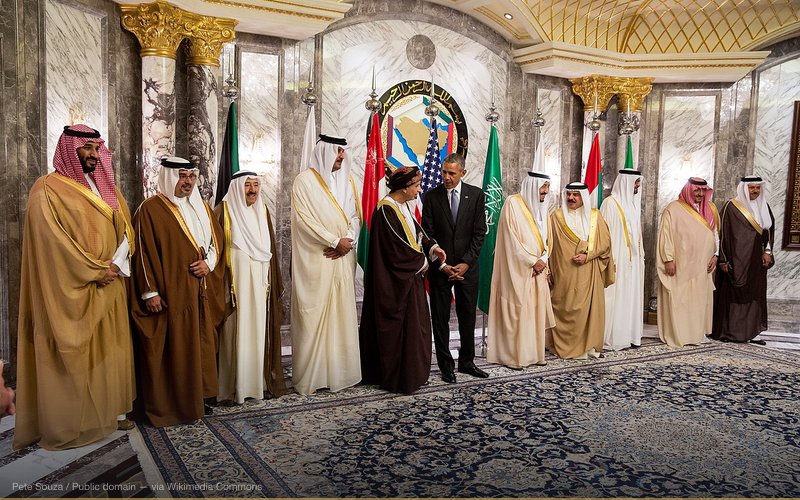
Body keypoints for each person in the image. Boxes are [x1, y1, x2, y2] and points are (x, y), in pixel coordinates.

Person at [14, 124, 135, 450]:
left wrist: (116, 264)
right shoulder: (47, 189)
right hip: (72, 291)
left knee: (109, 354)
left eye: (97, 149)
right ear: (70, 149)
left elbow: (125, 228)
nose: (95, 155)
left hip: (110, 285)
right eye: (88, 148)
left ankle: (108, 414)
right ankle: (73, 424)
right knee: (76, 357)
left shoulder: (106, 186)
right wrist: (96, 269)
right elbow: (52, 243)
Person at [130, 157, 226, 426]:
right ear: (169, 177)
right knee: (176, 349)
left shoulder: (202, 207)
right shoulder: (150, 209)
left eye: (191, 177)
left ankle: (200, 397)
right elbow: (142, 254)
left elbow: (216, 241)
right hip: (171, 293)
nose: (187, 182)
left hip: (199, 292)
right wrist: (150, 293)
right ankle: (175, 404)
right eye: (182, 176)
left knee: (201, 344)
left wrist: (209, 263)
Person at [359, 167, 446, 393]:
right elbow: (396, 250)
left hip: (409, 279)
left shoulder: (403, 206)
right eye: (416, 186)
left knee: (417, 327)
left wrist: (433, 247)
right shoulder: (385, 210)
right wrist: (423, 262)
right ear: (404, 188)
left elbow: (417, 232)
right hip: (395, 283)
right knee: (403, 329)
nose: (419, 189)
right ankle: (400, 377)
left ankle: (414, 373)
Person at [291, 134, 361, 395]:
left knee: (340, 314)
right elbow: (304, 220)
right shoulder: (304, 182)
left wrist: (348, 240)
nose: (342, 156)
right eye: (337, 152)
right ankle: (312, 376)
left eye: (343, 152)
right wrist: (333, 240)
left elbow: (354, 216)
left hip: (342, 258)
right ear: (324, 152)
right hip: (317, 259)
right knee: (314, 315)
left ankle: (340, 374)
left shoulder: (347, 181)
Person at [216, 171, 285, 404]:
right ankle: (231, 388)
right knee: (233, 334)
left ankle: (257, 385)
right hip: (233, 291)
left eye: (256, 185)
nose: (253, 190)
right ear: (236, 187)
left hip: (259, 286)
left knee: (257, 332)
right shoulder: (223, 212)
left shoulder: (262, 211)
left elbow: (269, 250)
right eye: (247, 185)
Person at [422, 153, 488, 383]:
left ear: (463, 172)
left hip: (467, 268)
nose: (447, 177)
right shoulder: (431, 197)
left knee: (467, 316)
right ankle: (445, 366)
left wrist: (466, 262)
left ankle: (467, 362)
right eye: (444, 172)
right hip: (441, 269)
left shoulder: (476, 195)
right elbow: (427, 234)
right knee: (440, 319)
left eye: (452, 173)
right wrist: (442, 265)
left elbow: (480, 232)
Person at [487, 170, 555, 369]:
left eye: (547, 188)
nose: (545, 192)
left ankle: (534, 354)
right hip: (517, 269)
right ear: (533, 186)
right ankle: (514, 356)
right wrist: (532, 261)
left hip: (538, 270)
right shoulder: (513, 203)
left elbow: (547, 239)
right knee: (518, 309)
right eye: (543, 188)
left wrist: (543, 259)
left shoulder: (543, 209)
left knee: (534, 311)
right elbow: (511, 239)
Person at [548, 182, 615, 359]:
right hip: (563, 272)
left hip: (588, 271)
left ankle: (587, 346)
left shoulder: (595, 216)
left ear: (583, 197)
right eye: (569, 194)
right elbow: (548, 244)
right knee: (564, 307)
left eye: (576, 195)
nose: (571, 198)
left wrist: (589, 255)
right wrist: (548, 269)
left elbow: (605, 243)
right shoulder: (556, 216)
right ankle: (562, 345)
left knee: (587, 310)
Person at [657, 177, 719, 347]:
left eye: (703, 191)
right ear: (688, 190)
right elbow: (666, 235)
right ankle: (679, 335)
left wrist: (716, 255)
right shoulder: (673, 209)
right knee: (680, 299)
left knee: (698, 300)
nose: (700, 194)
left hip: (702, 265)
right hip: (681, 264)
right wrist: (668, 259)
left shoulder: (711, 208)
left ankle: (696, 334)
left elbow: (715, 235)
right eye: (696, 191)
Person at [712, 176, 775, 344]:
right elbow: (722, 234)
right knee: (734, 295)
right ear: (744, 188)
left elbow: (767, 234)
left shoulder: (764, 207)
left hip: (756, 260)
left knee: (754, 294)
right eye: (751, 188)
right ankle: (729, 332)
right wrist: (723, 259)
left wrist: (768, 251)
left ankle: (752, 333)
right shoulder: (731, 207)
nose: (755, 191)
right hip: (734, 260)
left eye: (757, 188)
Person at [600, 170, 645, 350]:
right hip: (616, 261)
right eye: (635, 183)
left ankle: (629, 335)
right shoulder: (610, 204)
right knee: (615, 297)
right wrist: (608, 260)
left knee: (630, 296)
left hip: (633, 263)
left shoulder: (633, 205)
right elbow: (602, 235)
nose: (637, 187)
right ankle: (613, 336)